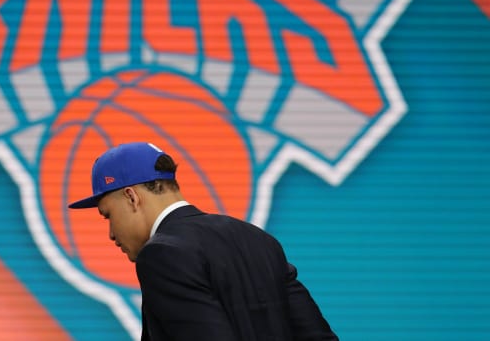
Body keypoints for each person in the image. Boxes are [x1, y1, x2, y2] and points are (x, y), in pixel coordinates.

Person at [68, 142, 338, 341]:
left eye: (108, 216)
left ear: (131, 197)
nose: (111, 234)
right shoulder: (259, 239)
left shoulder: (161, 254)